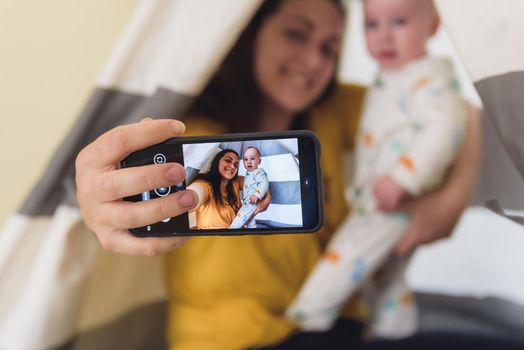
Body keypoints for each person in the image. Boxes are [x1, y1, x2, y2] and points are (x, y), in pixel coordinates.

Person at [76, 0, 524, 349]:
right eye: (297, 34)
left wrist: (446, 201)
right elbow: (105, 186)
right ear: (247, 34)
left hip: (336, 322)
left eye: (330, 47)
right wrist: (96, 200)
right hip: (235, 343)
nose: (314, 61)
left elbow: (454, 108)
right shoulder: (188, 133)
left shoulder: (330, 112)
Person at [286, 0, 464, 340]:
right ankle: (394, 325)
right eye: (372, 24)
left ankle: (308, 313)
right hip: (380, 192)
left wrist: (404, 177)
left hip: (397, 195)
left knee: (348, 252)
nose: (384, 37)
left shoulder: (431, 77)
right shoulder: (388, 77)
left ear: (433, 26)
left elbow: (445, 129)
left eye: (399, 22)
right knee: (385, 269)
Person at [186, 149, 243, 229]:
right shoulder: (204, 184)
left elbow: (260, 181)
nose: (232, 166)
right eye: (228, 160)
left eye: (236, 164)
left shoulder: (236, 182)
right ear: (217, 161)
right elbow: (195, 193)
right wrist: (186, 200)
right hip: (211, 239)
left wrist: (265, 198)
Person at [229, 146, 270, 229]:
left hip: (253, 202)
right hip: (247, 202)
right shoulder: (248, 173)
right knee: (249, 221)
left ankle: (231, 231)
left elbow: (264, 183)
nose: (249, 162)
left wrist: (257, 195)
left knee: (238, 220)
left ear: (259, 161)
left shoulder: (259, 172)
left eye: (252, 159)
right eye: (246, 159)